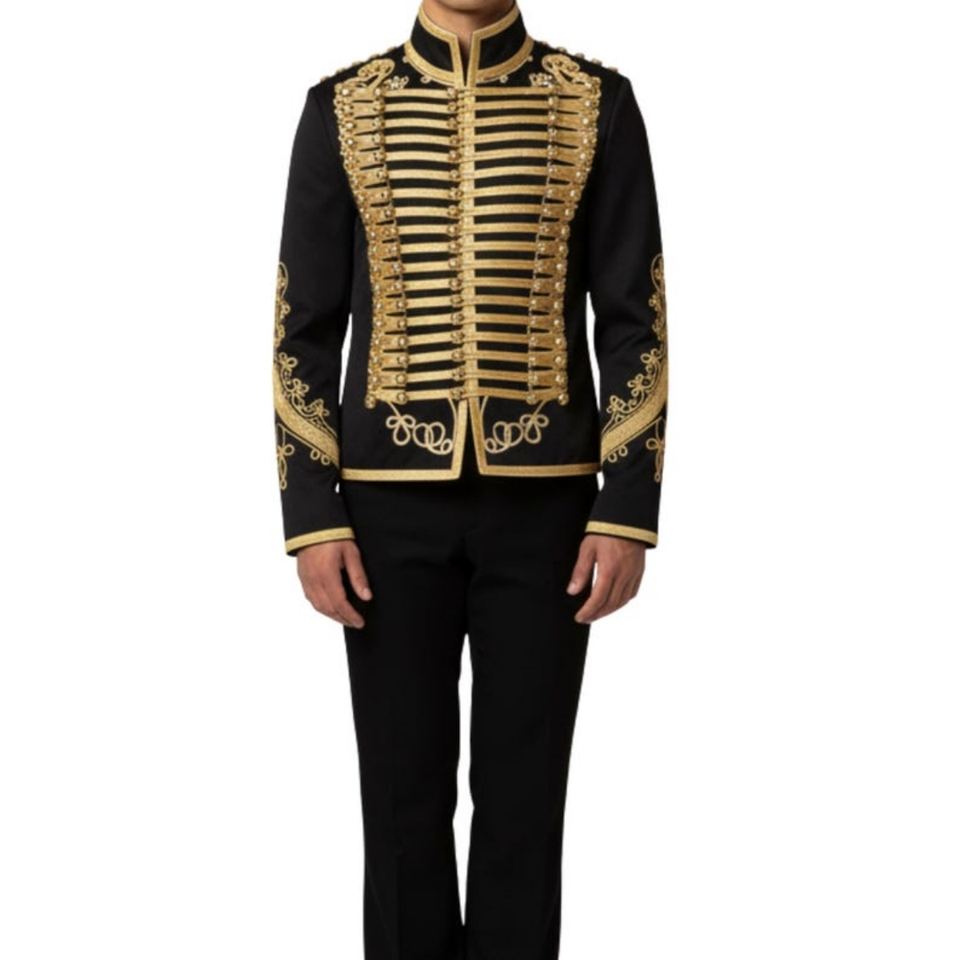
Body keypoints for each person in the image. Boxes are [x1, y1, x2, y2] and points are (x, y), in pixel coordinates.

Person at [272, 0, 667, 956]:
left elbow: (634, 318)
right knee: (400, 798)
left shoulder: (598, 103)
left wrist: (625, 507)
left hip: (550, 511)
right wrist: (313, 515)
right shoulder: (341, 106)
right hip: (379, 516)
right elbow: (302, 328)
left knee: (525, 799)